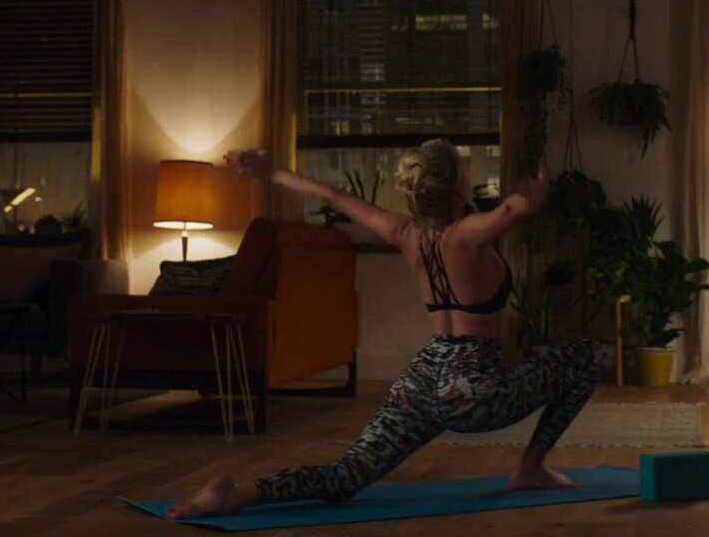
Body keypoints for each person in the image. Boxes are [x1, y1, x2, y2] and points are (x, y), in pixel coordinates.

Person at [164, 140, 609, 519]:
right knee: (590, 356)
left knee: (348, 474)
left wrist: (266, 171)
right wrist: (529, 200)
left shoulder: (404, 233)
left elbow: (332, 194)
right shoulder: (467, 234)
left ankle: (240, 493)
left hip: (421, 381)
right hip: (473, 389)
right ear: (458, 184)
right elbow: (508, 211)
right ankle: (530, 467)